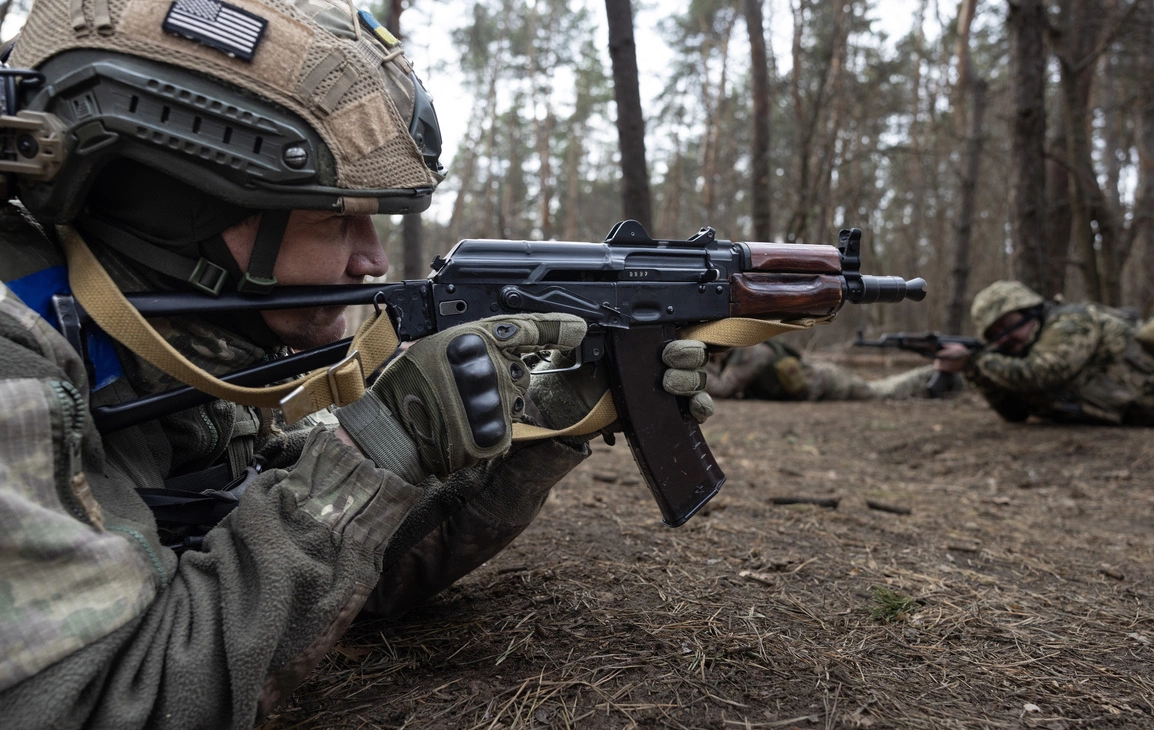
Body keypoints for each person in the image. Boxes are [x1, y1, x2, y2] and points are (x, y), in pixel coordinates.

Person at [0, 1, 712, 727]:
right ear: (189, 212)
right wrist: (379, 444)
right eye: (335, 217)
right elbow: (112, 703)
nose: (372, 257)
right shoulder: (15, 362)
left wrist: (547, 421)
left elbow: (320, 576)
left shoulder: (179, 343)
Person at [934, 280, 1154, 425]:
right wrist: (975, 372)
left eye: (1008, 325)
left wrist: (975, 360)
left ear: (1031, 311)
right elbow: (1014, 413)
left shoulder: (1072, 322)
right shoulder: (1015, 358)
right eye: (996, 332)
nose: (1006, 337)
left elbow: (1044, 372)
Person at [706, 336, 962, 401]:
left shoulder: (752, 353)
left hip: (827, 382)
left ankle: (936, 373)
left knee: (880, 391)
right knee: (878, 386)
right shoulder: (742, 351)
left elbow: (725, 388)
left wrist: (699, 367)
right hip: (820, 377)